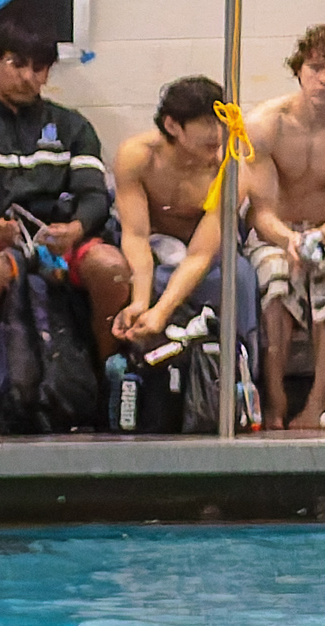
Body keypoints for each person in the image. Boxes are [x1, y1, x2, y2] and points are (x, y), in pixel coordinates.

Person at [0, 17, 130, 394]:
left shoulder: (74, 127)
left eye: (38, 68)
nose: (28, 76)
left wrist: (75, 229)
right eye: (17, 64)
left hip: (62, 242)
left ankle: (101, 387)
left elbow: (93, 198)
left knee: (112, 269)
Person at [244, 19, 325, 432]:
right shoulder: (266, 124)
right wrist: (290, 241)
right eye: (315, 66)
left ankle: (318, 399)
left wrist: (313, 240)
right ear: (298, 67)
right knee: (275, 278)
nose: (322, 78)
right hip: (273, 231)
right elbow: (260, 210)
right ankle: (275, 395)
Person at [109, 75, 262, 392]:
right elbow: (135, 236)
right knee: (124, 273)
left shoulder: (230, 168)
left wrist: (161, 313)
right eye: (207, 123)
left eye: (221, 123)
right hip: (154, 247)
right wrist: (140, 303)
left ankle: (244, 381)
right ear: (173, 125)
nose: (216, 134)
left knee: (239, 278)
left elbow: (201, 253)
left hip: (209, 252)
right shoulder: (138, 157)